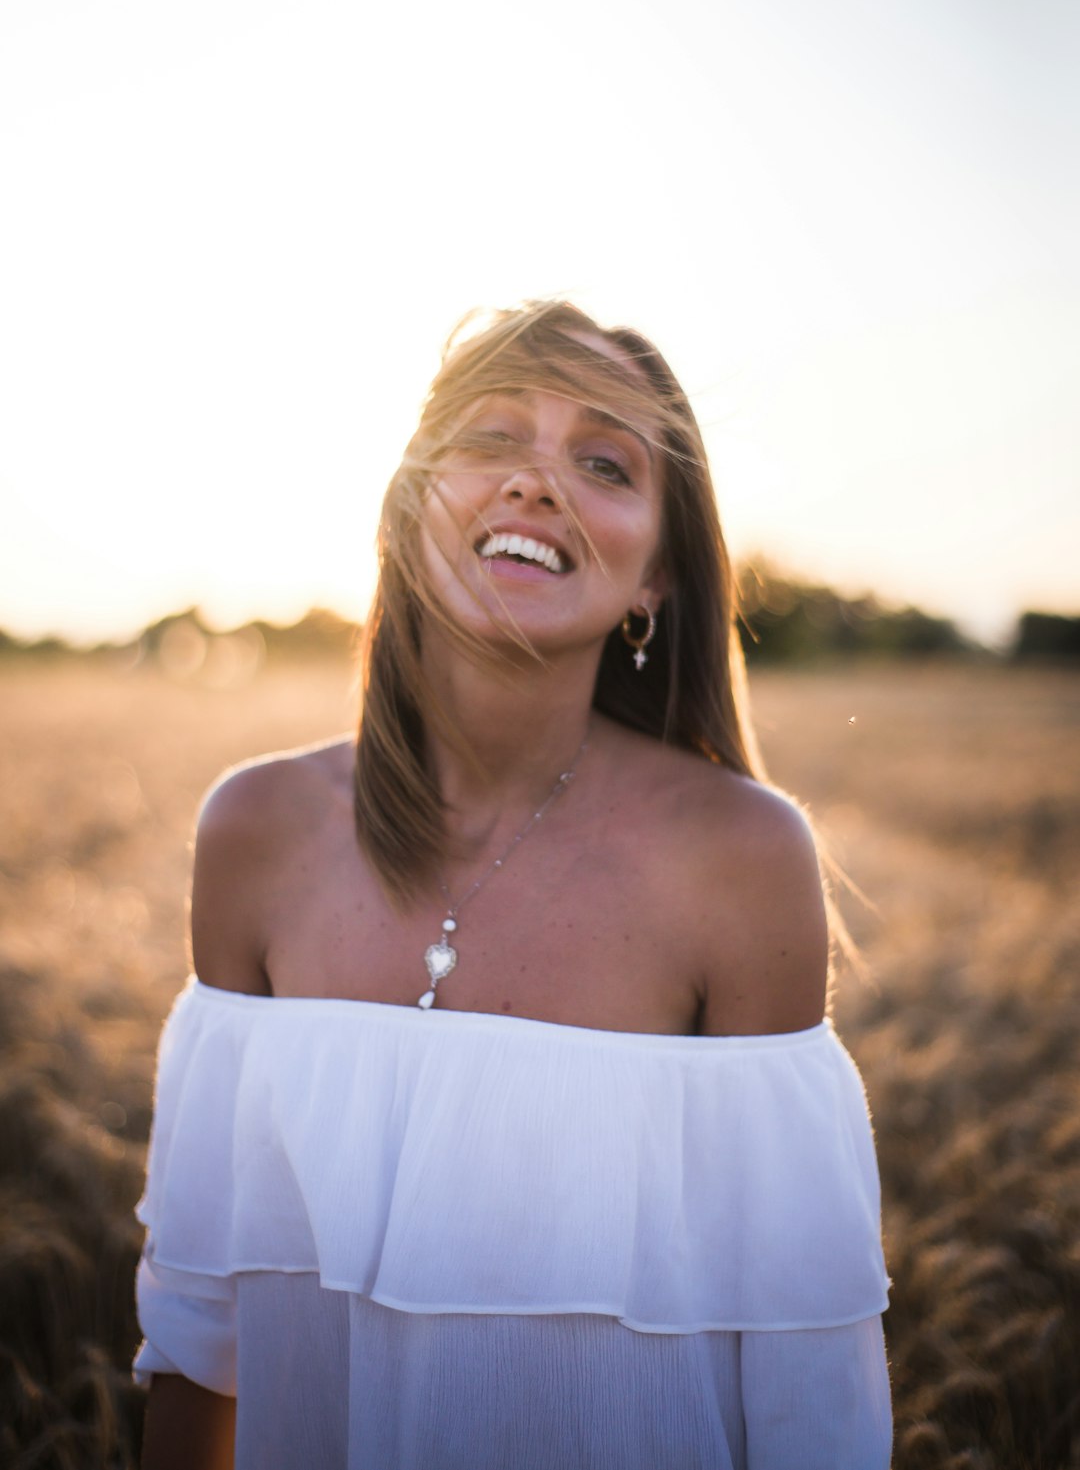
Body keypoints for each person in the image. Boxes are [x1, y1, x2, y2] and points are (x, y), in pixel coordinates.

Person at [135, 299, 892, 1469]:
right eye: (493, 437)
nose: (537, 482)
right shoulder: (256, 831)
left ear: (658, 584)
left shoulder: (741, 860)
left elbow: (808, 1392)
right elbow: (202, 1333)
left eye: (603, 463)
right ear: (408, 506)